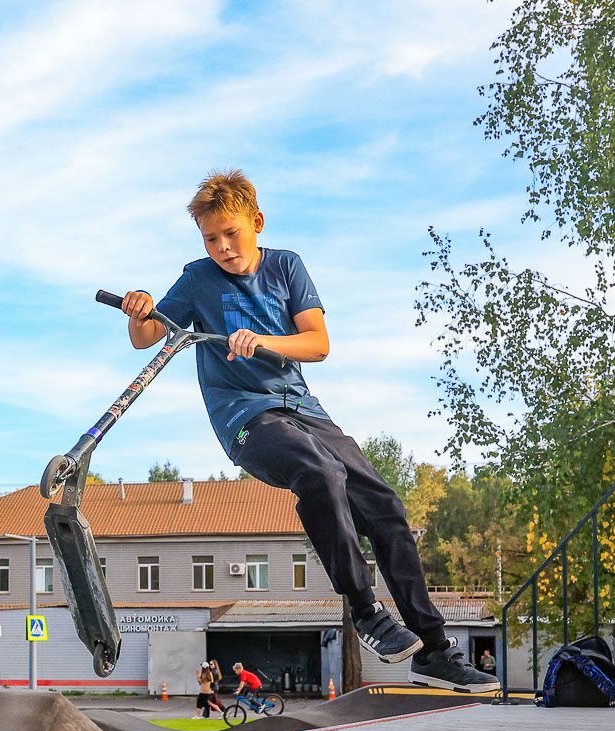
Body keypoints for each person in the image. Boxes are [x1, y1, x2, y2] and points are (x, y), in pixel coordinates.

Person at [119, 170, 497, 693]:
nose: (223, 248)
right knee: (319, 472)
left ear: (257, 222)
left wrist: (268, 341)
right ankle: (366, 612)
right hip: (246, 417)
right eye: (211, 239)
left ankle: (433, 651)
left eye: (232, 234)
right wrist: (139, 310)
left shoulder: (286, 267)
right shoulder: (197, 280)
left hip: (303, 407)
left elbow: (317, 343)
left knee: (384, 504)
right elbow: (148, 337)